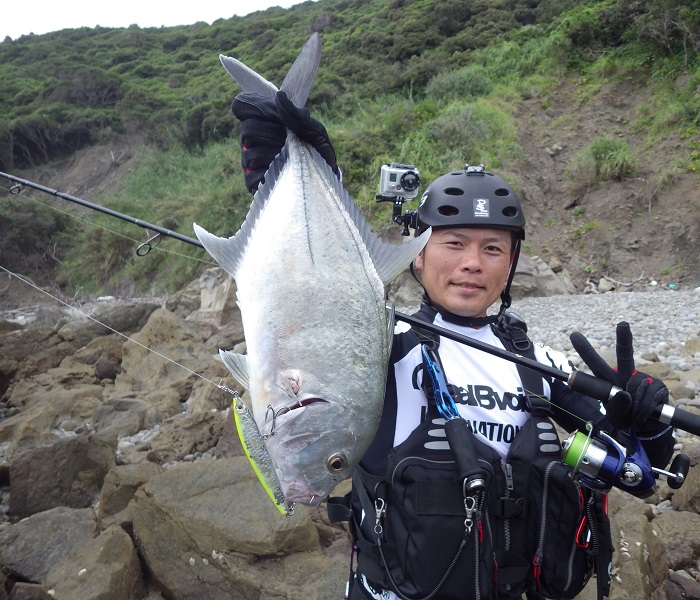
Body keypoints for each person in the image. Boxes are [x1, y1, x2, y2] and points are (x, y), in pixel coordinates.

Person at [232, 90, 676, 600]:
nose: (472, 262)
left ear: (510, 265)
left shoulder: (540, 364)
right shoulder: (382, 349)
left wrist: (646, 425)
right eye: (453, 243)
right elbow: (304, 307)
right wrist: (283, 179)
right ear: (417, 256)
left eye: (492, 248)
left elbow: (641, 476)